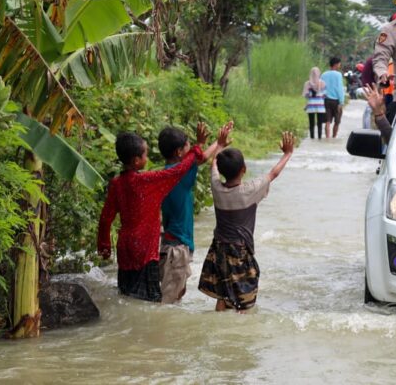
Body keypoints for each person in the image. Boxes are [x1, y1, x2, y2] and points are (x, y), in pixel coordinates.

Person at [98, 125, 213, 302]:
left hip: (124, 247)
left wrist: (104, 245)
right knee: (148, 298)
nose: (148, 157)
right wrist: (197, 146)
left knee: (126, 293)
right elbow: (178, 170)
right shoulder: (146, 182)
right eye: (145, 154)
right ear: (137, 161)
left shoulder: (116, 183)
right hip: (144, 249)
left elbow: (106, 218)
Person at [198, 132, 295, 313]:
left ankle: (220, 327)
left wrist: (219, 145)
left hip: (218, 248)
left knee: (223, 293)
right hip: (239, 251)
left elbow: (214, 167)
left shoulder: (217, 188)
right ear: (244, 169)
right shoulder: (250, 191)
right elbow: (273, 173)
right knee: (243, 299)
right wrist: (287, 154)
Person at [156, 122, 233, 304]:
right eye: (188, 145)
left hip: (170, 244)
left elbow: (198, 158)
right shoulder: (180, 175)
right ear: (179, 152)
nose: (191, 148)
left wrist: (218, 143)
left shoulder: (166, 173)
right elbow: (202, 158)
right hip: (177, 249)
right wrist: (218, 144)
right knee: (168, 301)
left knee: (177, 292)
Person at [321, 57, 345, 138]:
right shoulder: (338, 75)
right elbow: (339, 88)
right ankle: (334, 137)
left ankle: (327, 138)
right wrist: (341, 102)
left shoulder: (323, 74)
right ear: (335, 64)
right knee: (337, 121)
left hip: (326, 100)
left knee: (327, 121)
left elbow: (321, 87)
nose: (339, 65)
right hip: (336, 101)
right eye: (339, 63)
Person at [303, 67, 326, 139]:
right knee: (320, 123)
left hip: (311, 106)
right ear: (319, 73)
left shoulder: (307, 83)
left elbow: (306, 95)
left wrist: (311, 94)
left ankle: (312, 137)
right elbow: (325, 95)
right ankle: (319, 138)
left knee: (311, 123)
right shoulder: (322, 83)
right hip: (320, 106)